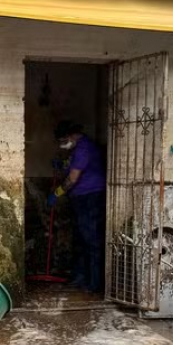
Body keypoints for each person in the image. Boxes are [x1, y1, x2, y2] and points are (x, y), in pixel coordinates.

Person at [49, 121, 106, 294]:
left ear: (73, 135)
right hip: (80, 198)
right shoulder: (77, 149)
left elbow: (73, 178)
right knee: (81, 239)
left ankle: (94, 283)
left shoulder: (83, 148)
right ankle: (81, 278)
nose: (62, 144)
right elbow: (71, 169)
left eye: (63, 140)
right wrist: (62, 166)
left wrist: (57, 193)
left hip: (90, 198)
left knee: (91, 240)